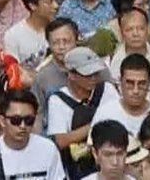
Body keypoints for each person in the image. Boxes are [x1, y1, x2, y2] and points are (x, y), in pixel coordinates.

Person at [45, 47, 118, 180]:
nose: (93, 78)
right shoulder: (58, 100)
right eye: (88, 74)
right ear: (71, 75)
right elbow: (60, 141)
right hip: (76, 169)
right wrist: (96, 125)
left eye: (96, 73)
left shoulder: (107, 90)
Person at [0, 89, 66, 180]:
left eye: (29, 120)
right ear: (2, 121)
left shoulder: (48, 149)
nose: (23, 126)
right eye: (16, 120)